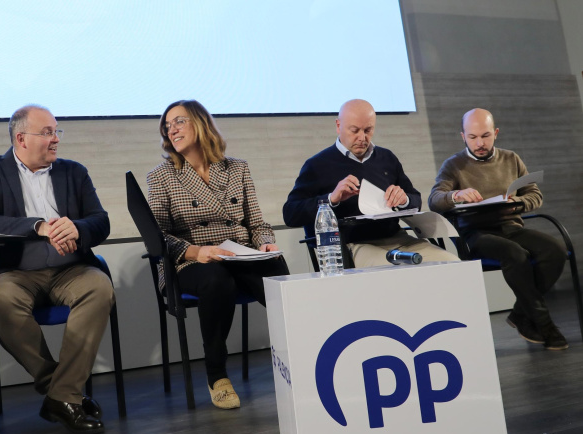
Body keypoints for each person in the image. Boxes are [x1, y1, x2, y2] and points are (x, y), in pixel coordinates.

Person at [0, 105, 113, 434]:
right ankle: (63, 393)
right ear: (21, 138)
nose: (55, 139)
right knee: (0, 298)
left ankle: (61, 395)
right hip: (15, 272)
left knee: (99, 287)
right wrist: (39, 227)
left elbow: (100, 220)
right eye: (47, 132)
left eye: (56, 131)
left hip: (70, 270)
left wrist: (77, 228)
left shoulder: (74, 172)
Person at [147, 99, 289, 410]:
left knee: (275, 265)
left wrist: (265, 242)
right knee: (216, 279)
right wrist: (196, 251)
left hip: (239, 254)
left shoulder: (237, 167)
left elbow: (257, 223)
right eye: (167, 126)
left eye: (179, 121)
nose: (172, 129)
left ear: (200, 124)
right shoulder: (161, 176)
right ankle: (217, 373)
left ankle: (301, 351)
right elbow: (156, 238)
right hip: (189, 262)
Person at [429, 108, 568, 350]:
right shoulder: (454, 165)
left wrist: (518, 202)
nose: (480, 143)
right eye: (473, 137)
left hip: (511, 226)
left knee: (555, 250)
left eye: (485, 136)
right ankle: (545, 325)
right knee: (515, 254)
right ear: (463, 136)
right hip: (476, 233)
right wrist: (456, 194)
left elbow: (534, 194)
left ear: (496, 133)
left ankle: (520, 315)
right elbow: (435, 199)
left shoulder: (511, 158)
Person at [283, 99, 459, 267]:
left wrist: (404, 199)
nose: (362, 137)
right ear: (338, 126)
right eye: (355, 130)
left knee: (452, 264)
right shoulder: (317, 165)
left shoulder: (386, 158)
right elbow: (291, 213)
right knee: (389, 270)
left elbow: (415, 199)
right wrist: (331, 199)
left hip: (399, 239)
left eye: (368, 130)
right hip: (353, 244)